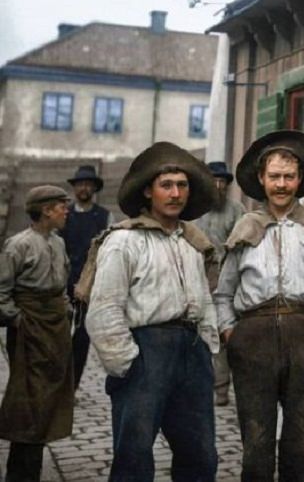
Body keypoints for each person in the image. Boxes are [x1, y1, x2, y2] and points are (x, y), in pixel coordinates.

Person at [214, 130, 304, 481]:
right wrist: (231, 330)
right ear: (262, 180)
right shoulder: (244, 229)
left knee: (302, 442)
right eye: (275, 177)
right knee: (257, 441)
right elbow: (223, 292)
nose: (282, 185)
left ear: (300, 180)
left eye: (289, 177)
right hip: (253, 342)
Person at [84, 142, 220, 482]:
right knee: (134, 456)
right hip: (146, 353)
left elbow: (204, 301)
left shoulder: (192, 242)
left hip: (191, 355)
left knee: (200, 455)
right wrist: (127, 362)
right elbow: (104, 309)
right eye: (166, 185)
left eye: (182, 185)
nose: (176, 194)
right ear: (148, 191)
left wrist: (206, 346)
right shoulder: (124, 242)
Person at [0, 185, 74, 482]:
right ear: (46, 210)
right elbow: (2, 293)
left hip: (55, 328)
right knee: (29, 399)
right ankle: (20, 473)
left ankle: (32, 463)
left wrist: (65, 310)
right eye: (61, 206)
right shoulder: (18, 245)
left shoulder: (58, 243)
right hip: (30, 328)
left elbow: (62, 285)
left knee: (49, 399)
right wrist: (20, 321)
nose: (66, 211)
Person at [194, 161, 245, 406]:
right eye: (213, 181)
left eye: (222, 182)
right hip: (199, 281)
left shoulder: (236, 211)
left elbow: (242, 247)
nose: (217, 186)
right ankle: (199, 384)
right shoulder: (194, 211)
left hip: (227, 283)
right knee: (199, 334)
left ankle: (222, 389)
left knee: (224, 335)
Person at [59, 164, 113, 390]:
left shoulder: (104, 216)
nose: (84, 188)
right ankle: (57, 384)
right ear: (74, 188)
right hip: (64, 283)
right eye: (80, 184)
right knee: (60, 335)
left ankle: (72, 386)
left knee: (81, 338)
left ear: (94, 188)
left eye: (88, 185)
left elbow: (110, 249)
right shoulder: (64, 215)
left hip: (89, 286)